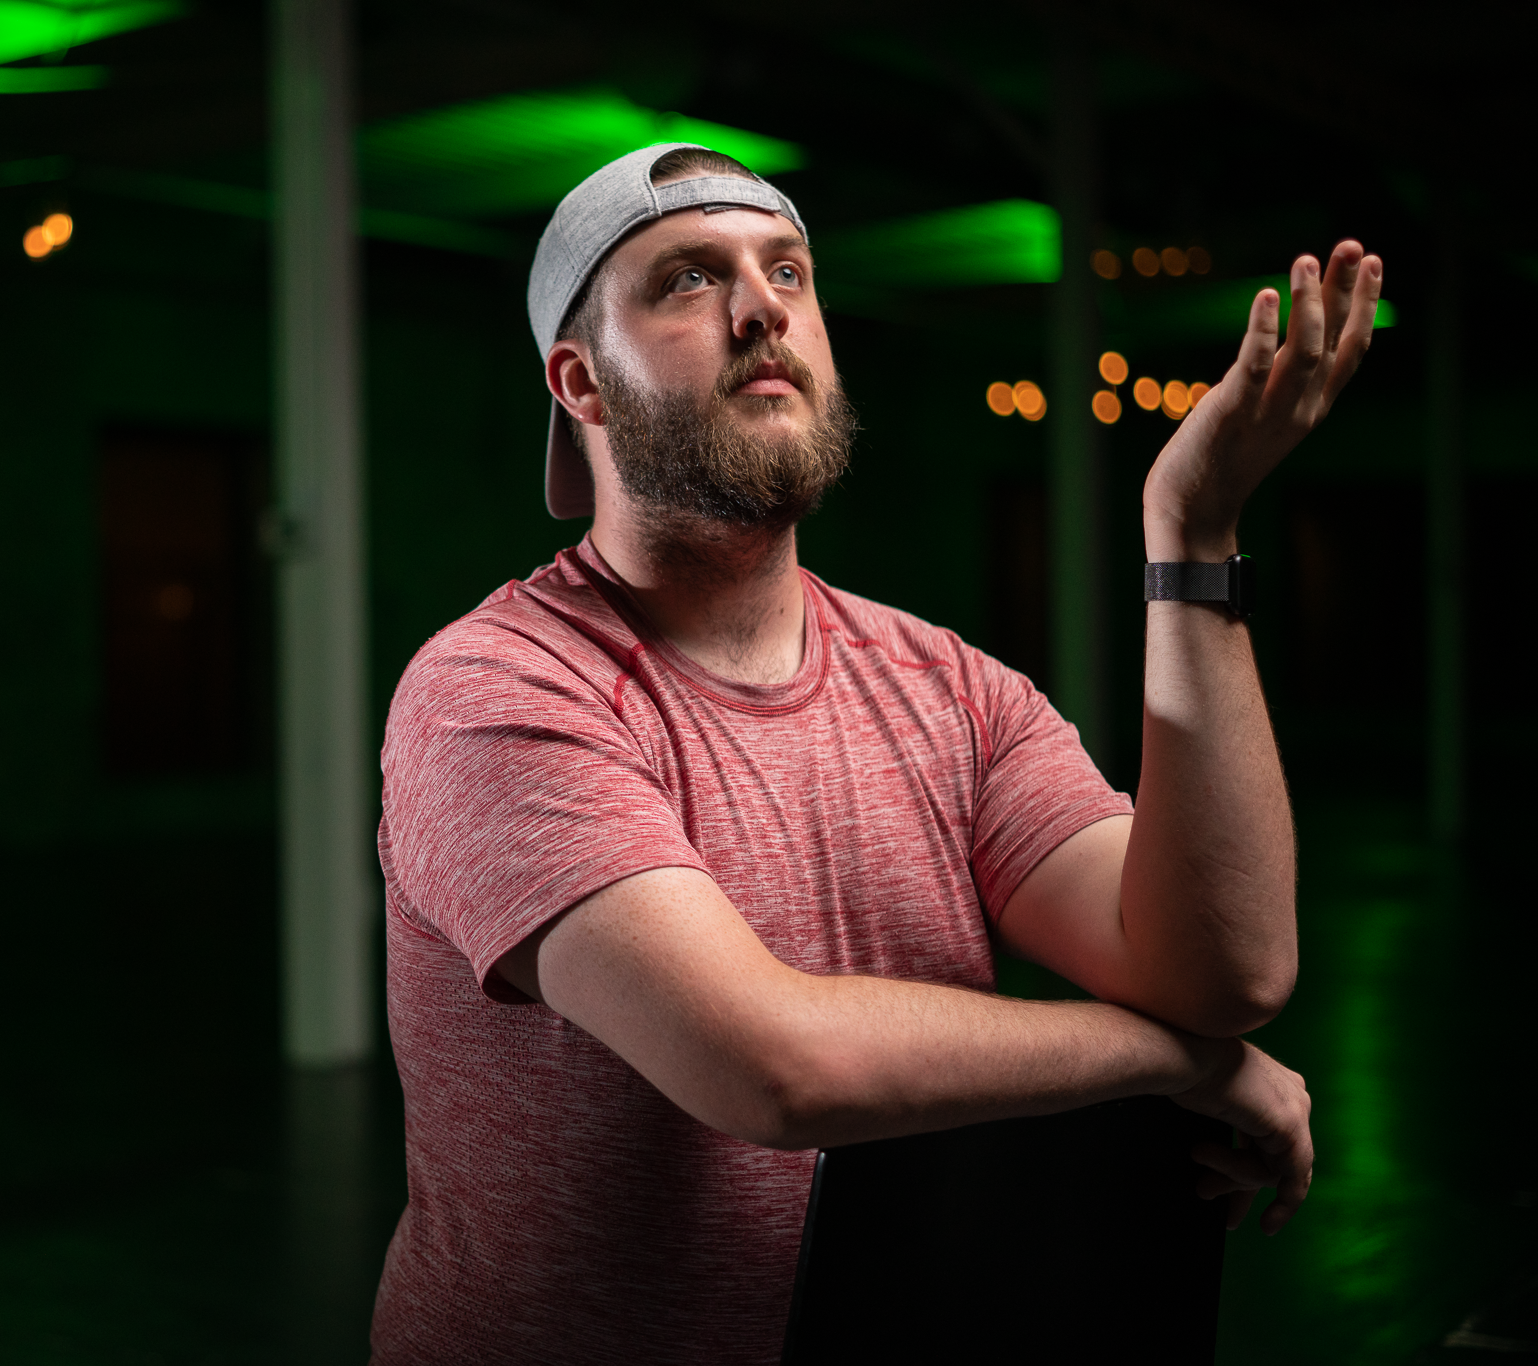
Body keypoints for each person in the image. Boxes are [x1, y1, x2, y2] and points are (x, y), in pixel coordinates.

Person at [370, 142, 1381, 1365]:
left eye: (785, 270)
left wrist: (1194, 536)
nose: (761, 308)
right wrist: (1172, 1062)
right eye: (688, 281)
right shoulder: (493, 691)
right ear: (581, 384)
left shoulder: (941, 688)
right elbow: (766, 1066)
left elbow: (1223, 967)